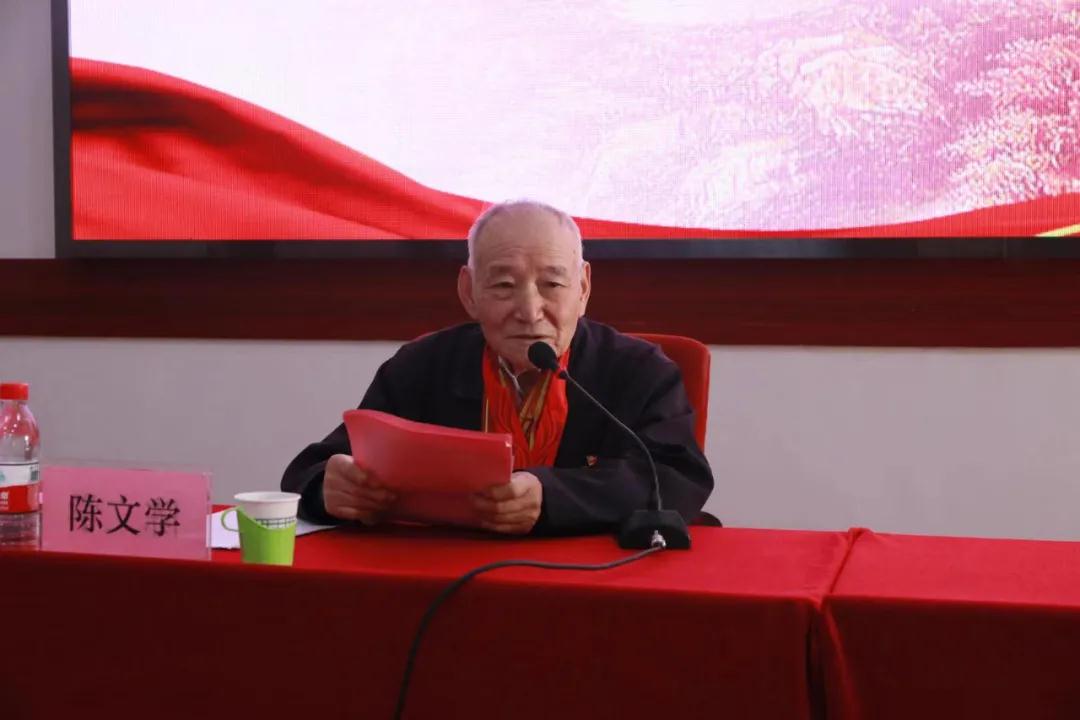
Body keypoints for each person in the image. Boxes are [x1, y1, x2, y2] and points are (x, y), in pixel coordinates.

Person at [281, 200, 713, 536]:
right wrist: (330, 488)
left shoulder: (638, 371)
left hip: (595, 585)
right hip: (444, 578)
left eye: (552, 284)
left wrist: (552, 497)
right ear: (469, 292)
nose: (529, 310)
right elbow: (313, 469)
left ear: (583, 288)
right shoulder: (423, 367)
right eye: (504, 285)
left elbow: (678, 479)